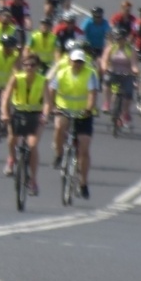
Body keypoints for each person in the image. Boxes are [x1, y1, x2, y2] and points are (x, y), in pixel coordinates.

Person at [50, 48, 98, 199]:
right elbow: (51, 90)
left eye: (80, 62)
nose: (78, 64)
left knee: (84, 148)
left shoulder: (90, 74)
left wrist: (88, 109)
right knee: (59, 126)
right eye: (75, 61)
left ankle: (83, 183)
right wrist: (52, 106)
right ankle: (59, 154)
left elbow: (92, 95)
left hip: (83, 114)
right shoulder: (62, 73)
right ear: (70, 61)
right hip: (64, 110)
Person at [0, 49, 47, 196]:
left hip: (35, 115)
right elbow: (6, 97)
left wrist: (45, 115)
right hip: (19, 112)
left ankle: (33, 180)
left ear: (37, 66)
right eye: (26, 65)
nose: (29, 67)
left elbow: (47, 101)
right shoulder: (16, 78)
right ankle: (11, 158)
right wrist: (5, 113)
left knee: (32, 146)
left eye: (32, 65)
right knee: (12, 138)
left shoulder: (42, 80)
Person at [101, 25, 138, 124]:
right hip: (113, 72)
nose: (118, 41)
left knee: (128, 93)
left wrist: (135, 70)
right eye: (117, 39)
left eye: (121, 39)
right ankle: (107, 103)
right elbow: (104, 59)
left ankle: (125, 112)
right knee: (107, 81)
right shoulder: (111, 48)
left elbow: (134, 63)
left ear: (125, 39)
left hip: (126, 74)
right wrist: (105, 68)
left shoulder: (130, 49)